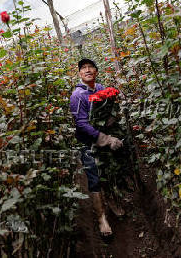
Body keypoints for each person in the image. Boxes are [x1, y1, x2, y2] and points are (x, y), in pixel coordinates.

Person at [69, 58, 123, 237]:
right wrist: (105, 138)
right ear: (79, 74)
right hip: (88, 143)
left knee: (109, 170)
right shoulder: (77, 95)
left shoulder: (100, 89)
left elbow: (110, 110)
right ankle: (102, 219)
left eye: (90, 67)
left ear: (96, 71)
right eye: (83, 68)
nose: (87, 70)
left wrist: (112, 119)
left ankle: (113, 201)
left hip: (103, 136)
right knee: (94, 178)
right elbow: (82, 124)